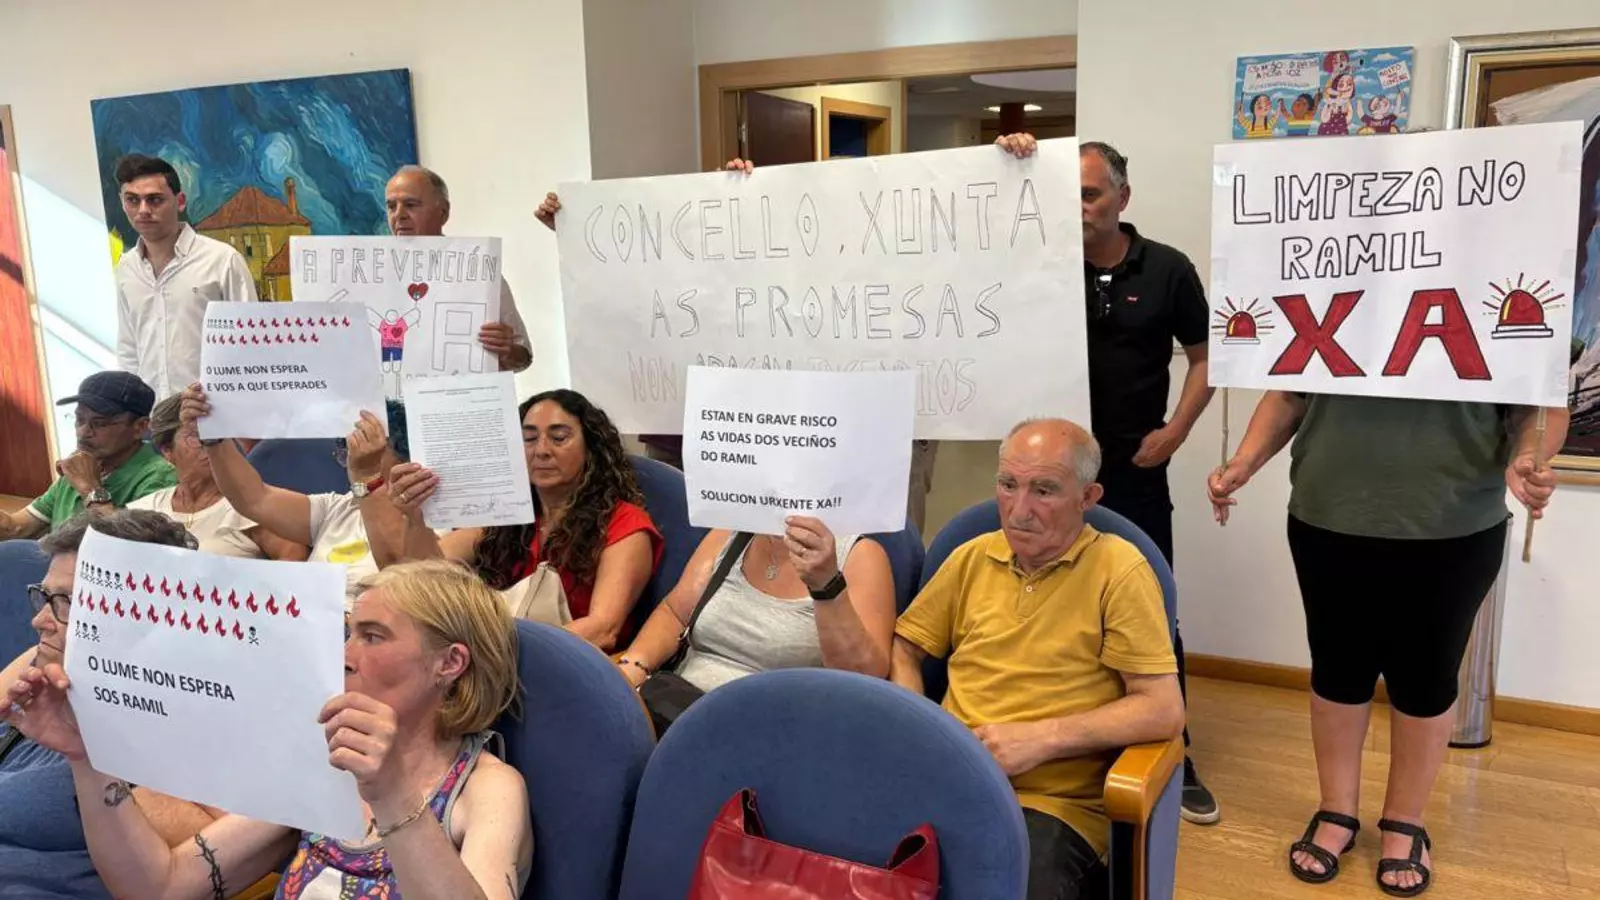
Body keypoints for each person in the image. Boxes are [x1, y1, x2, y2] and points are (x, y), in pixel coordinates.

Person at [3, 557, 533, 900]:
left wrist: (392, 792)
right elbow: (160, 887)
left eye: (372, 637)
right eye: (348, 633)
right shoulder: (325, 765)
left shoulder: (486, 788)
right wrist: (88, 757)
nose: (344, 655)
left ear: (449, 663)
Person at [1208, 394, 1566, 896]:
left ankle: (1405, 820)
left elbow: (1540, 404)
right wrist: (1244, 460)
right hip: (1328, 510)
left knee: (1427, 677)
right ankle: (1336, 810)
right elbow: (1290, 392)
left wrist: (1529, 454)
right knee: (1337, 668)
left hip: (1453, 518)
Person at [996, 133, 1220, 823]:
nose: (1079, 207)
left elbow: (1207, 356)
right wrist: (1009, 164)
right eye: (1067, 194)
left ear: (1122, 197)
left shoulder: (1169, 269)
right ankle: (1048, 735)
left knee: (1152, 606)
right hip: (1048, 478)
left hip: (1135, 469)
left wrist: (1177, 430)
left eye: (1090, 194)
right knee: (1037, 600)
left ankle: (1171, 751)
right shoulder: (1035, 262)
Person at [535, 171, 943, 537]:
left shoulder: (888, 268)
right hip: (707, 430)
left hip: (824, 433)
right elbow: (633, 285)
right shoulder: (739, 257)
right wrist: (578, 233)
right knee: (707, 544)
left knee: (861, 542)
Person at [890, 419, 1184, 900]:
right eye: (1008, 485)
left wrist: (1042, 738)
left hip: (1052, 805)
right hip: (948, 780)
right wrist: (923, 729)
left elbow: (1163, 709)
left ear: (1088, 498)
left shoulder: (1119, 570)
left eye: (1044, 491)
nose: (1018, 510)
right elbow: (905, 648)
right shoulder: (970, 557)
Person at [0, 510, 222, 898]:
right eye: (45, 596)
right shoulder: (44, 661)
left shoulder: (182, 720)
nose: (39, 620)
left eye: (67, 602)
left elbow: (208, 844)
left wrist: (93, 760)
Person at [386, 389, 662, 653]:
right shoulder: (509, 512)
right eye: (529, 439)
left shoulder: (625, 523)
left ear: (592, 449)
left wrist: (491, 649)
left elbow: (603, 629)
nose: (541, 450)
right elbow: (423, 574)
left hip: (572, 663)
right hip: (498, 651)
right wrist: (415, 518)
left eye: (559, 438)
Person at [178, 385, 409, 606]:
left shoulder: (424, 520)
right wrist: (214, 436)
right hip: (307, 621)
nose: (353, 458)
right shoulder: (338, 508)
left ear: (404, 454)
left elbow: (399, 571)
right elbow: (254, 499)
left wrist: (367, 477)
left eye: (367, 446)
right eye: (347, 449)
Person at [613, 516, 897, 692]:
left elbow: (861, 680)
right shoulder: (732, 531)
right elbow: (675, 613)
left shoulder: (860, 556)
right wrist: (635, 666)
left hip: (771, 728)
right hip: (677, 704)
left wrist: (826, 586)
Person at [112, 154, 258, 400]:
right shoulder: (127, 268)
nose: (143, 210)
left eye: (155, 199)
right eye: (133, 200)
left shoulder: (222, 261)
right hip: (153, 415)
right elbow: (129, 349)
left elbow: (250, 346)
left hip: (213, 410)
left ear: (179, 201)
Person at [385, 165, 533, 372]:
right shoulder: (370, 276)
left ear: (443, 212)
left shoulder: (478, 272)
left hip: (466, 391)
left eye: (411, 205)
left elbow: (523, 357)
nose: (399, 215)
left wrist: (507, 351)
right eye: (391, 207)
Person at [127, 395, 307, 561]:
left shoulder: (254, 507)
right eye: (199, 437)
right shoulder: (144, 509)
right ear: (167, 450)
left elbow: (294, 561)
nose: (211, 445)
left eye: (219, 435)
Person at [0, 371, 175, 540]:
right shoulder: (80, 463)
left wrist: (90, 489)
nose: (83, 432)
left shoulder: (161, 478)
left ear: (140, 427)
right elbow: (15, 528)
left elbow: (132, 549)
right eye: (79, 420)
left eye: (99, 423)